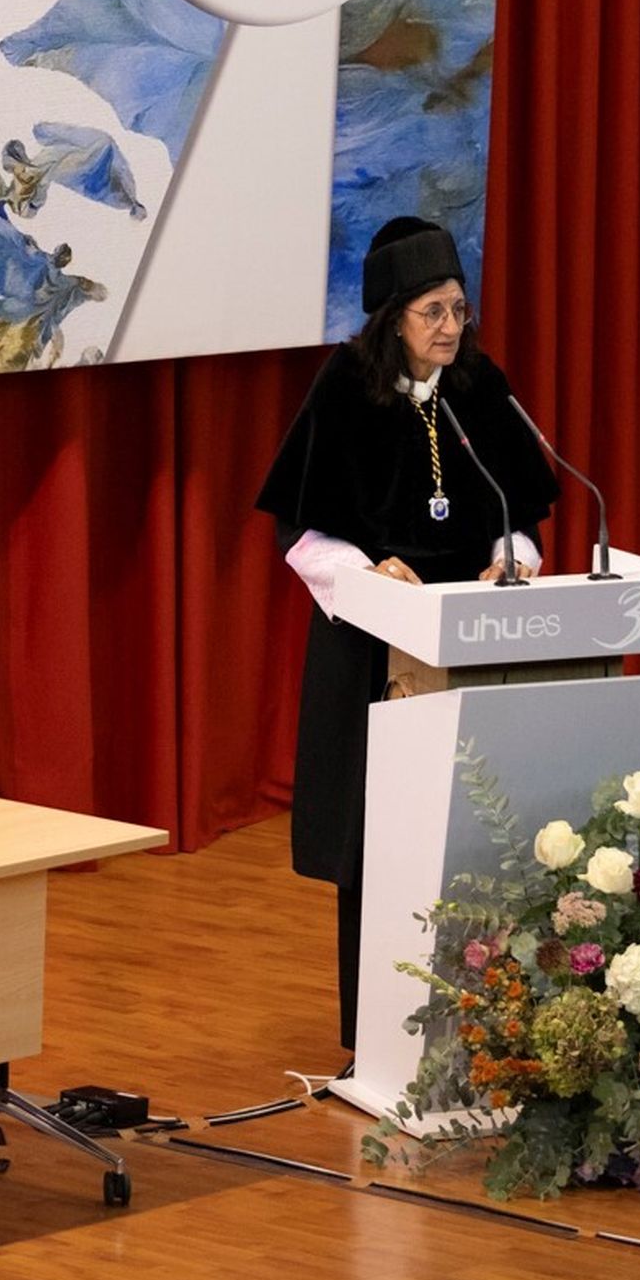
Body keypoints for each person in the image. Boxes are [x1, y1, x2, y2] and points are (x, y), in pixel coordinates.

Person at [256, 218, 558, 1049]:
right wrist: (367, 571)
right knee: (377, 841)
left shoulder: (478, 387)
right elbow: (302, 532)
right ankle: (376, 1034)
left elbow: (519, 511)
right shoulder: (344, 390)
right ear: (393, 317)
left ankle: (488, 1024)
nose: (452, 327)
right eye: (433, 311)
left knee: (480, 830)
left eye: (459, 308)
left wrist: (512, 556)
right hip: (372, 652)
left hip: (471, 642)